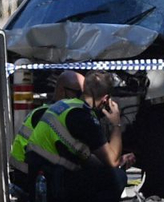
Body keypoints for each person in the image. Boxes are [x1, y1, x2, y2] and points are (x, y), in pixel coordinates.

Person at [25, 70, 136, 202]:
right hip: (54, 184)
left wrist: (116, 161)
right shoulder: (84, 117)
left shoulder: (65, 106)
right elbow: (112, 161)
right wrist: (116, 124)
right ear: (106, 99)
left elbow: (86, 158)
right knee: (117, 177)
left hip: (40, 179)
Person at [9, 70, 86, 197]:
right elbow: (73, 155)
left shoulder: (50, 112)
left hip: (32, 174)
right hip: (29, 179)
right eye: (79, 93)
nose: (82, 98)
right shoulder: (49, 116)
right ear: (62, 91)